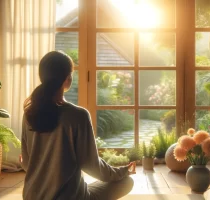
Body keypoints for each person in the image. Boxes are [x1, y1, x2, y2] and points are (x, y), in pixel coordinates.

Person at [21, 51, 135, 200]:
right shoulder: (78, 115)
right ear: (68, 79)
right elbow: (93, 166)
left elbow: (26, 163)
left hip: (31, 197)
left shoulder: (29, 113)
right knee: (127, 182)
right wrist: (123, 171)